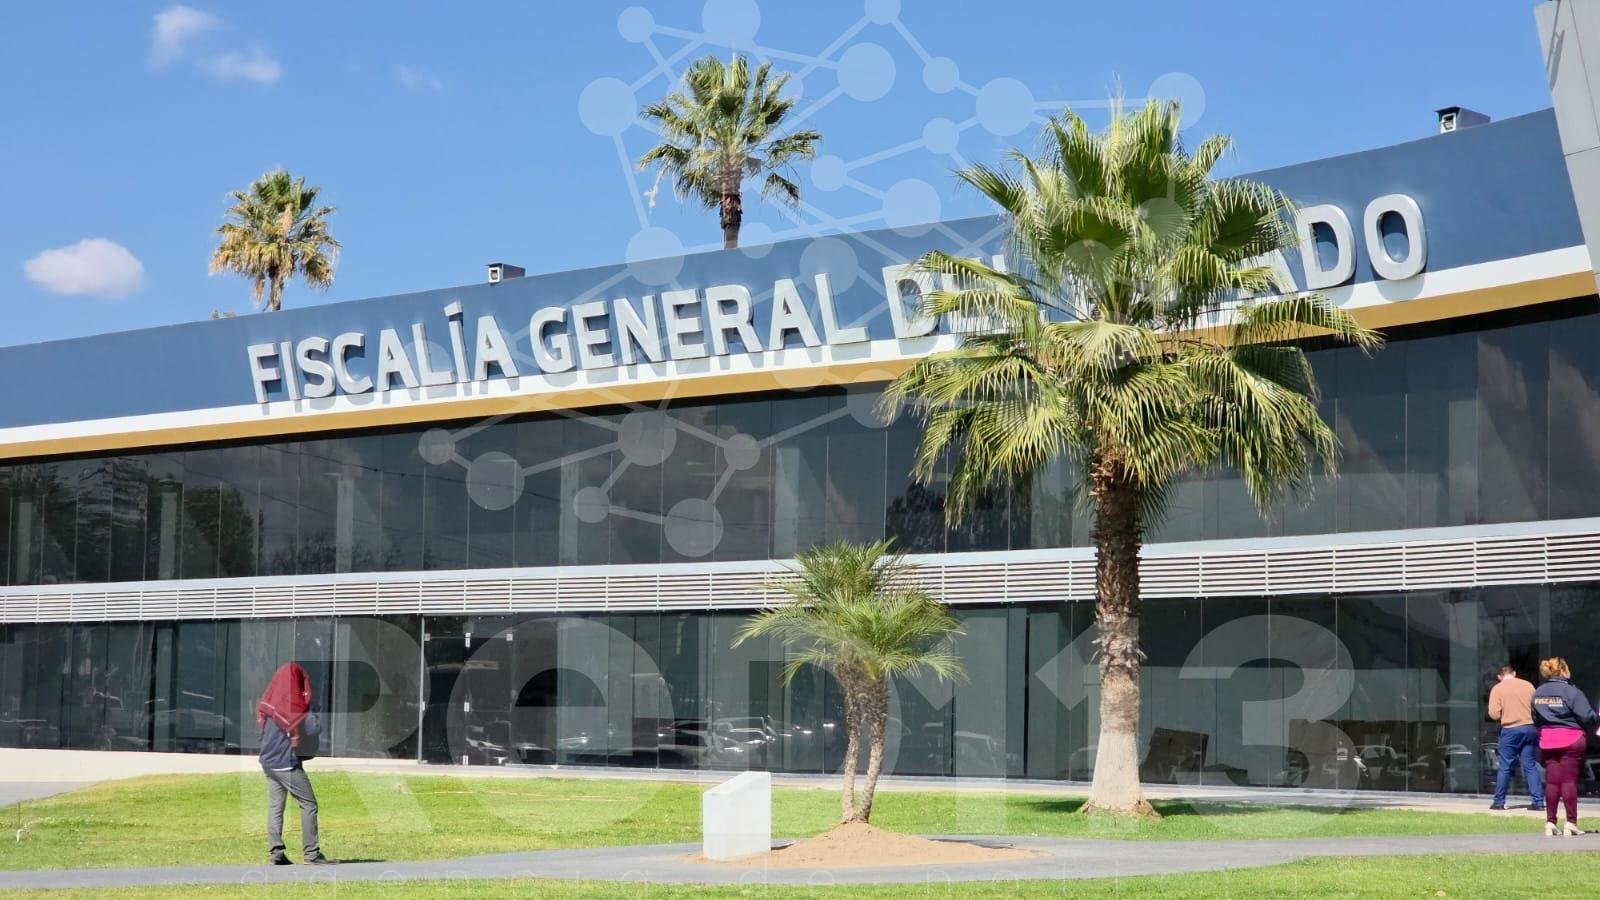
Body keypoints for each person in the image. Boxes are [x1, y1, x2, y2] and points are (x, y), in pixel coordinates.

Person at [257, 662, 333, 865]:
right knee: (309, 804)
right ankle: (311, 853)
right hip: (286, 764)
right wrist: (311, 709)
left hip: (268, 762)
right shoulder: (295, 707)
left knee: (275, 807)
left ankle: (276, 853)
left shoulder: (270, 703)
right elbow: (314, 727)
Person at [1532, 657, 1599, 837]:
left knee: (1552, 781)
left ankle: (1550, 822)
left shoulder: (1538, 692)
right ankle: (1571, 822)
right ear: (1562, 670)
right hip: (1571, 738)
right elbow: (1587, 717)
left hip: (1548, 739)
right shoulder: (1572, 692)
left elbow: (1535, 718)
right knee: (1568, 781)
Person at [1487, 665, 1545, 811]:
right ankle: (1538, 802)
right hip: (1529, 728)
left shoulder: (1497, 689)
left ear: (1499, 676)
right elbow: (1537, 707)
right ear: (1514, 673)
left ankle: (1499, 802)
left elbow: (1494, 714)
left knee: (1505, 767)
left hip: (1510, 729)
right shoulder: (1528, 685)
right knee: (1530, 766)